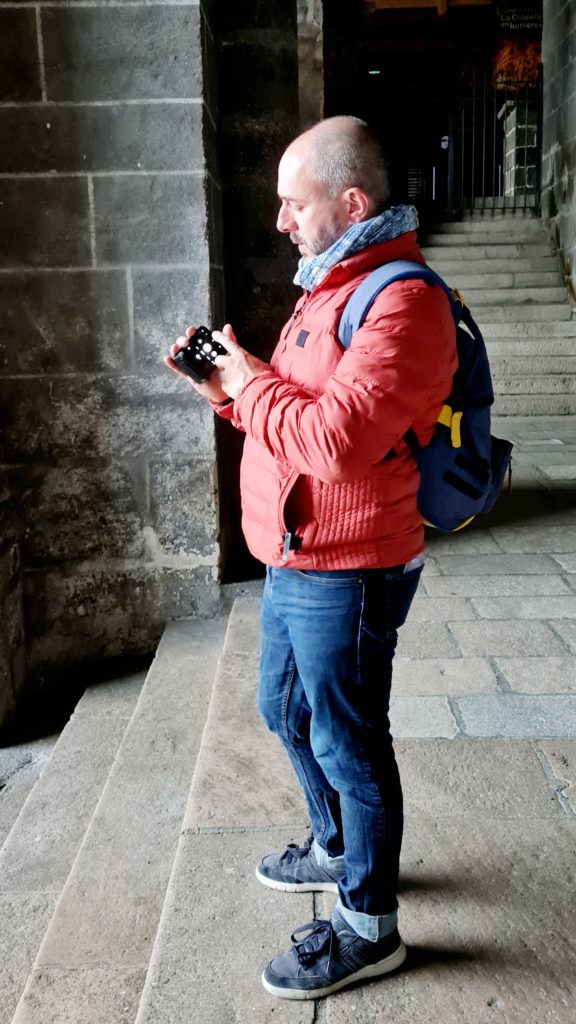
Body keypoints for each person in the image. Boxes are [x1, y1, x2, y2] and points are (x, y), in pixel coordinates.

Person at [165, 115, 457, 1000]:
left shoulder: (404, 302)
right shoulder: (328, 283)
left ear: (352, 203)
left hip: (353, 564)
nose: (281, 220)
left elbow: (333, 442)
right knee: (283, 709)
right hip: (296, 552)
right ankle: (338, 848)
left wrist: (248, 380)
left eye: (295, 203)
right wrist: (227, 389)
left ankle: (369, 925)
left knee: (348, 738)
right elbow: (289, 414)